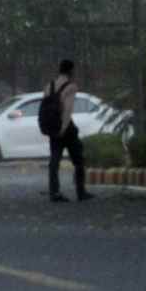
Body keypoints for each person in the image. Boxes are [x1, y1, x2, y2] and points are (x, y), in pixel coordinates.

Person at [45, 59, 93, 203]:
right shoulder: (71, 86)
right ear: (71, 70)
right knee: (79, 160)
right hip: (66, 128)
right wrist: (64, 128)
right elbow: (67, 109)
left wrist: (53, 128)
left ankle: (54, 192)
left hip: (52, 127)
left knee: (54, 160)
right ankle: (81, 192)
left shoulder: (49, 86)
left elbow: (46, 109)